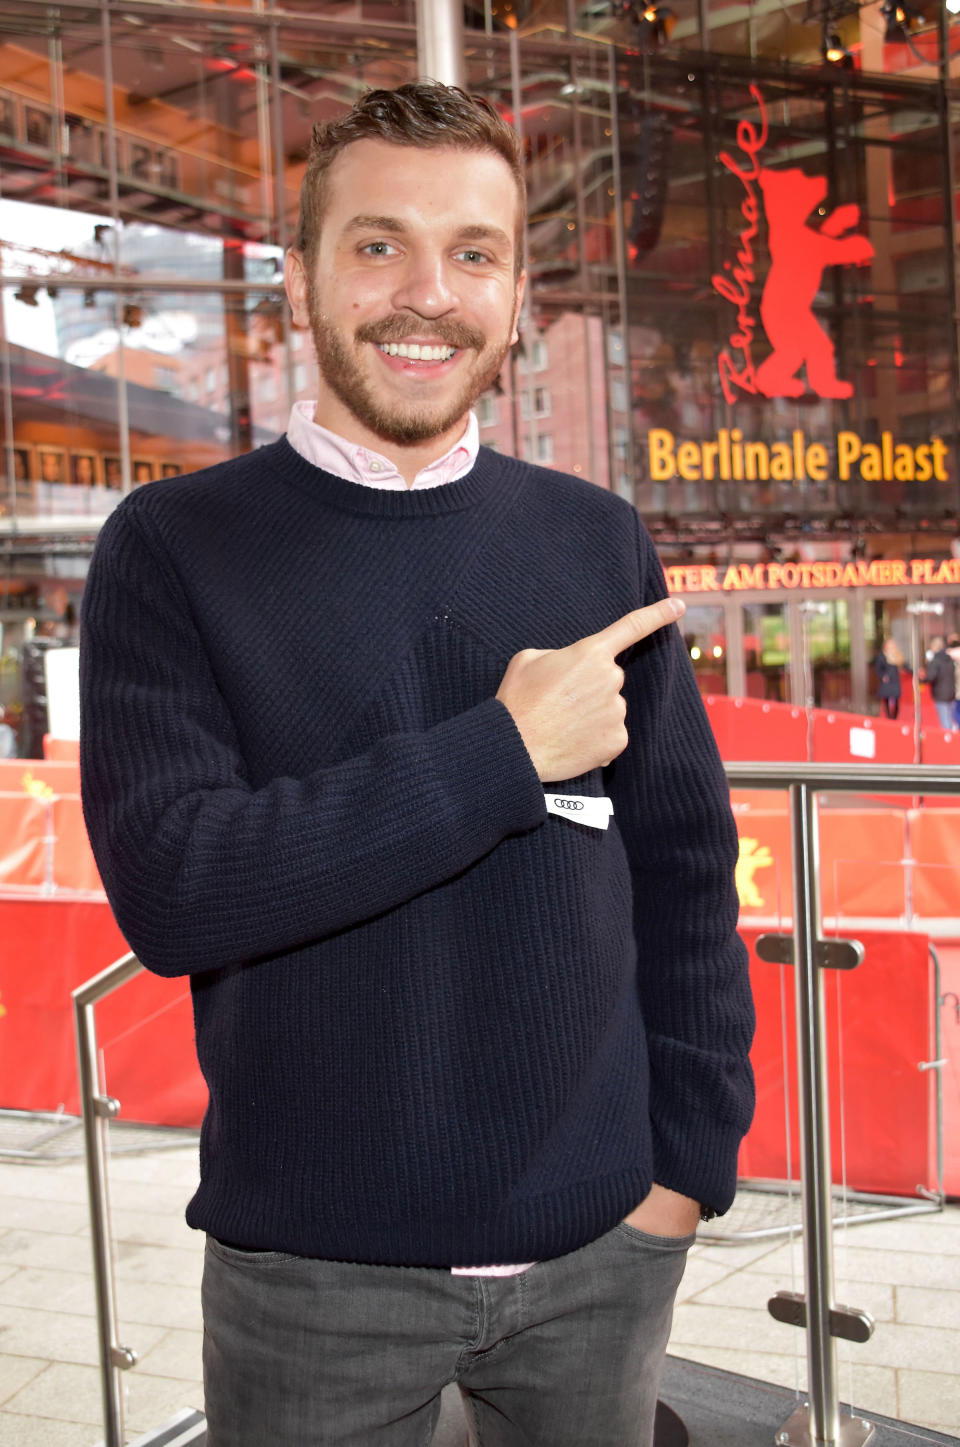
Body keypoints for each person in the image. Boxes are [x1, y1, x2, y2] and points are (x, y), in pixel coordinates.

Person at [80, 82, 755, 1447]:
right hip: (313, 1274)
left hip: (603, 1255)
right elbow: (177, 887)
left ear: (518, 296)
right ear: (299, 280)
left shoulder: (596, 539)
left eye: (474, 253)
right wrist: (503, 751)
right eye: (378, 244)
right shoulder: (171, 546)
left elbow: (688, 874)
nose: (426, 294)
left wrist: (684, 1170)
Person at [924, 634, 956, 731]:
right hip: (951, 691)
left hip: (940, 692)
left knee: (944, 720)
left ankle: (947, 742)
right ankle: (952, 740)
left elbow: (931, 676)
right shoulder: (949, 659)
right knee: (949, 719)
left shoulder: (935, 660)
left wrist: (922, 680)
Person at [873, 637, 902, 720]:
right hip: (887, 682)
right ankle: (889, 717)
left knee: (896, 701)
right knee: (886, 701)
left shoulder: (897, 655)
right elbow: (878, 669)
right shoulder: (881, 657)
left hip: (895, 682)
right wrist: (883, 677)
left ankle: (894, 717)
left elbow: (904, 665)